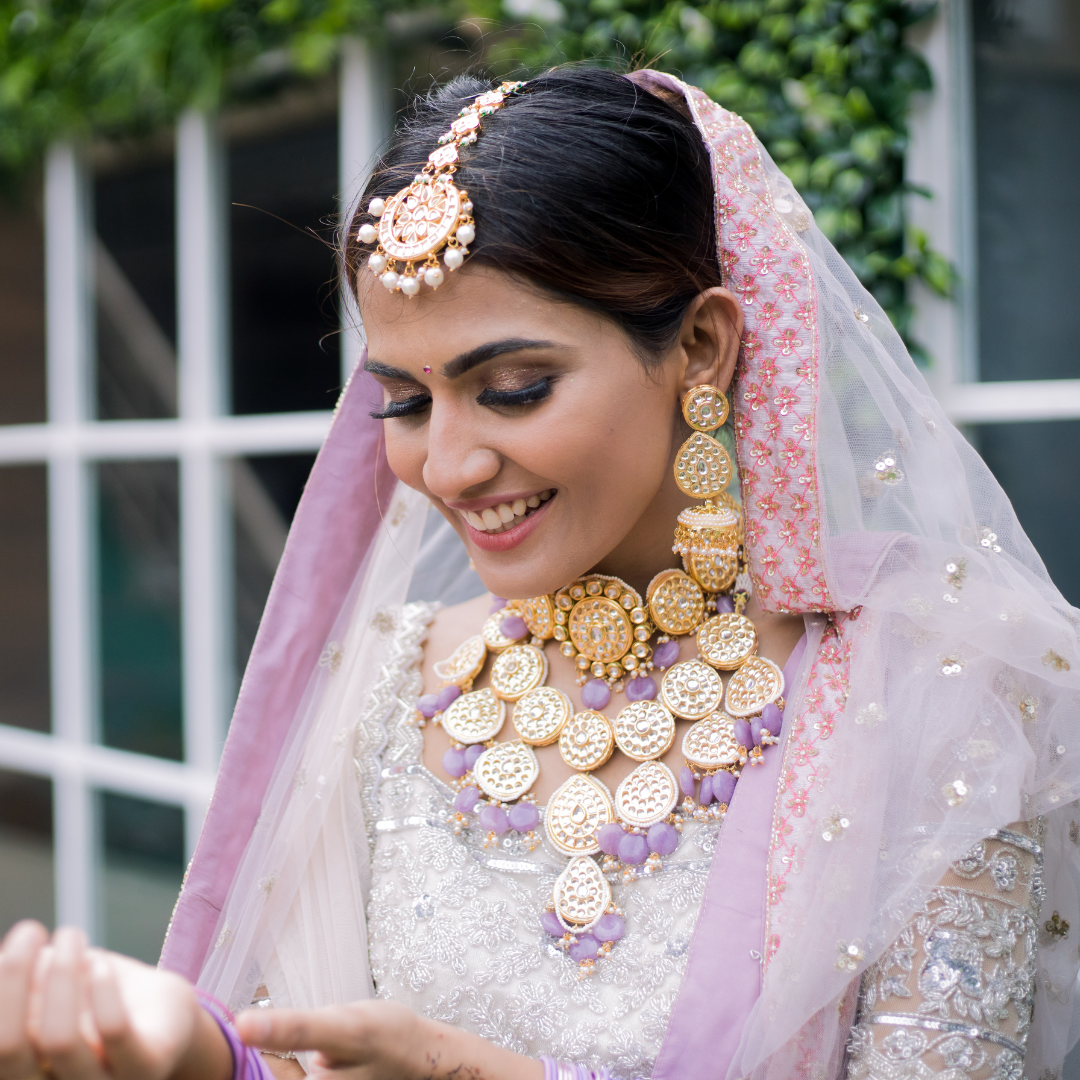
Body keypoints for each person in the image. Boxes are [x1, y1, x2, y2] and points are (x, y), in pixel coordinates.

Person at [2, 65, 1079, 1080]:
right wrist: (197, 1052)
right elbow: (313, 1051)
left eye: (513, 387)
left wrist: (473, 1069)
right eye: (407, 403)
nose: (451, 465)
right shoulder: (393, 679)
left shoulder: (934, 690)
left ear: (702, 348)